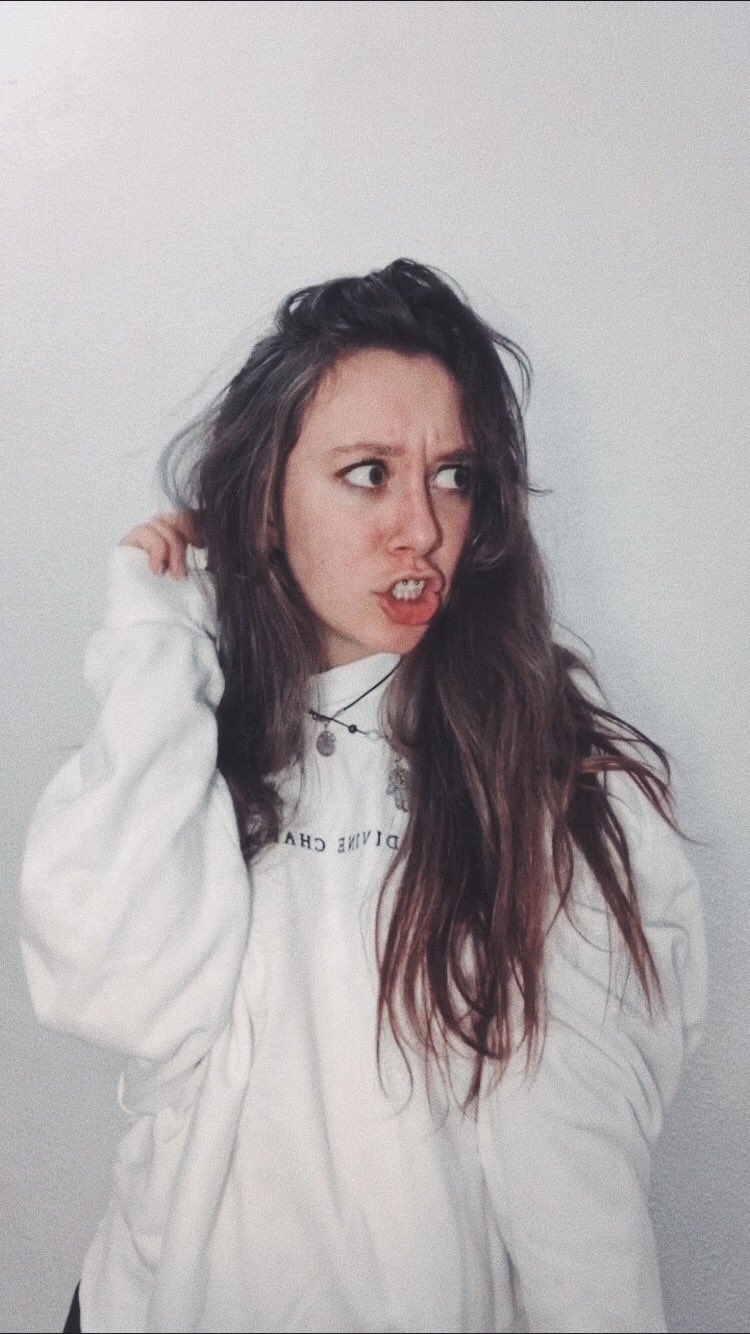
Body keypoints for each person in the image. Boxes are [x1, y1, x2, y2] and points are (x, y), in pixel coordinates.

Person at [20, 258, 707, 1334]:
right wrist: (156, 650)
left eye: (454, 476)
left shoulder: (556, 781)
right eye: (368, 473)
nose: (420, 528)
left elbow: (581, 1174)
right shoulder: (198, 748)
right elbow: (107, 986)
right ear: (264, 507)